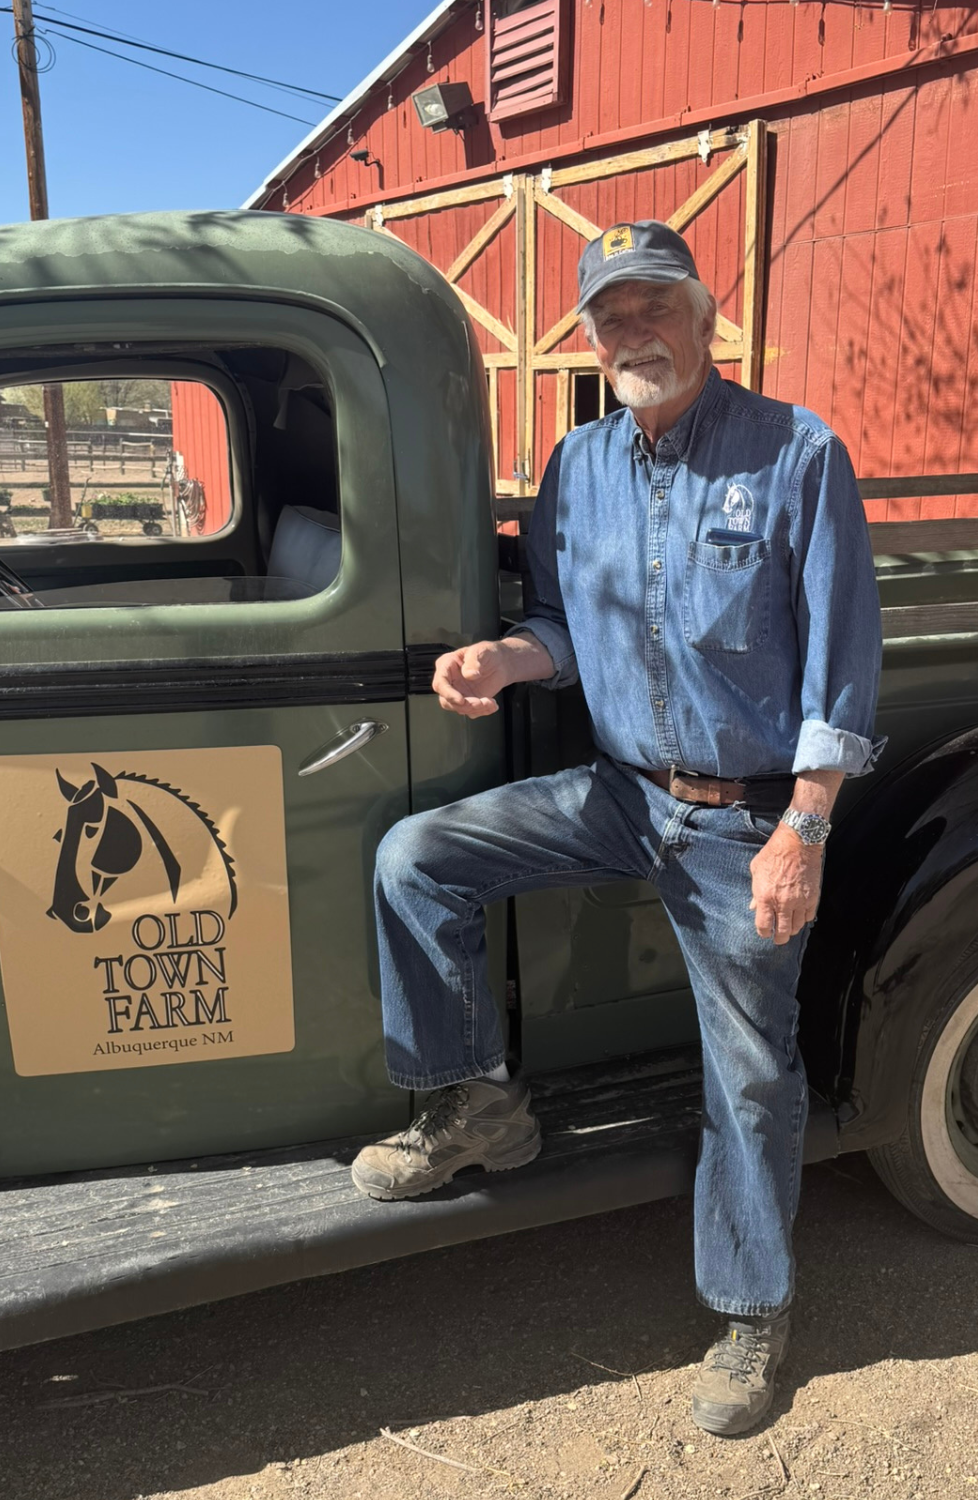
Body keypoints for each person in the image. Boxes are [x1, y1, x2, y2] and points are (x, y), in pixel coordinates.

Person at [351, 220, 884, 1436]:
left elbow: (842, 674)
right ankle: (475, 1104)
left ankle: (754, 1311)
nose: (633, 329)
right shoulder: (576, 466)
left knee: (750, 1075)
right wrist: (507, 657)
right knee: (416, 859)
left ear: (707, 317)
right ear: (587, 337)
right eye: (610, 313)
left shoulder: (796, 455)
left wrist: (803, 828)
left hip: (743, 819)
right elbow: (564, 627)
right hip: (619, 792)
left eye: (655, 305)